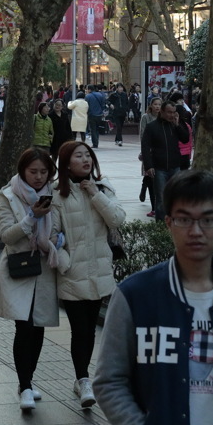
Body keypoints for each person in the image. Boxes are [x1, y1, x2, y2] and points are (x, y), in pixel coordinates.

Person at [94, 170, 213, 425]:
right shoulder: (135, 295)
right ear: (168, 222)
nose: (195, 231)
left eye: (208, 220)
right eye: (184, 219)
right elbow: (109, 380)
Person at [52, 141, 126, 408]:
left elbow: (117, 218)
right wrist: (65, 263)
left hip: (99, 271)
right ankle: (83, 379)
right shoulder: (56, 194)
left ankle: (84, 377)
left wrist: (95, 193)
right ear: (66, 162)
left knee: (90, 330)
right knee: (79, 329)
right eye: (78, 156)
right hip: (73, 272)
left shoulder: (103, 187)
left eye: (88, 155)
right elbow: (51, 236)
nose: (85, 160)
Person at [0, 148, 68, 411]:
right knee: (23, 328)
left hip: (45, 268)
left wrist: (57, 240)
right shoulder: (8, 195)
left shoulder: (55, 195)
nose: (38, 177)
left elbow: (61, 228)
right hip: (19, 267)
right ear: (22, 170)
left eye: (43, 172)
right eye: (33, 171)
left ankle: (29, 380)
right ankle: (24, 384)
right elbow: (7, 235)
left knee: (38, 329)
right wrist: (32, 217)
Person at [141, 102, 190, 220]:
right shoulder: (152, 127)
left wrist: (178, 125)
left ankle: (174, 223)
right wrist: (148, 166)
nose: (171, 115)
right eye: (169, 112)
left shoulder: (175, 125)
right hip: (159, 168)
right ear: (161, 112)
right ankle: (161, 227)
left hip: (175, 166)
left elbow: (185, 139)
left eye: (174, 112)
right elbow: (145, 147)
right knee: (161, 199)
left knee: (175, 197)